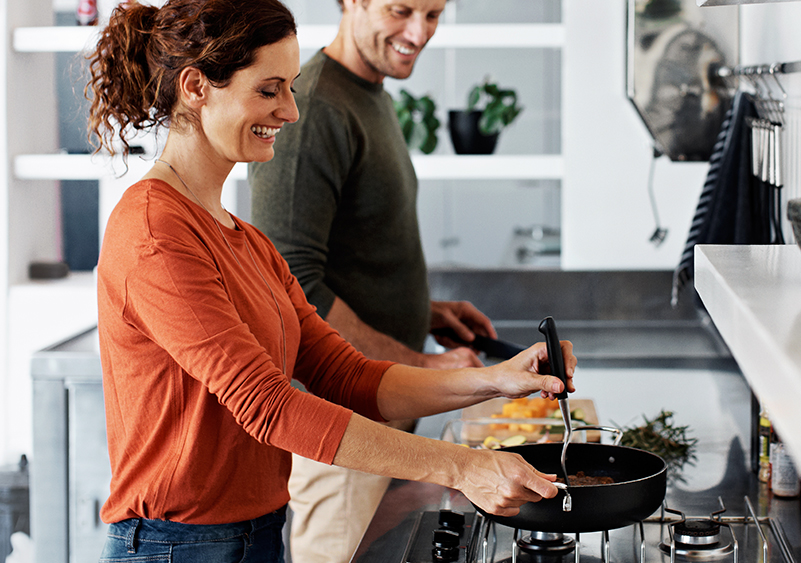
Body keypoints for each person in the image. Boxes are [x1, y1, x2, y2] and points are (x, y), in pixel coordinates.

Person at [86, 1, 576, 561]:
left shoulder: (245, 239)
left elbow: (347, 375)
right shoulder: (154, 230)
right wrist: (462, 466)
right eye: (270, 90)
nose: (291, 111)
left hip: (256, 534)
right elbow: (267, 405)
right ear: (197, 87)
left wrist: (498, 380)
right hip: (175, 545)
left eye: (291, 87)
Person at [247, 1, 499, 561]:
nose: (419, 32)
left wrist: (423, 310)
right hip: (338, 427)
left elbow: (348, 254)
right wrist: (426, 365)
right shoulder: (311, 108)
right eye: (401, 9)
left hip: (377, 420)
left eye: (432, 13)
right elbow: (290, 282)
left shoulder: (365, 94)